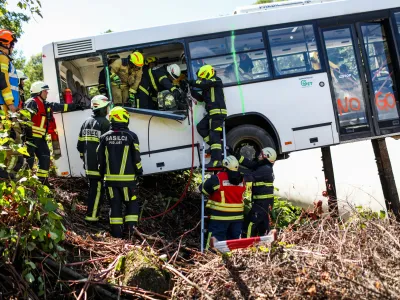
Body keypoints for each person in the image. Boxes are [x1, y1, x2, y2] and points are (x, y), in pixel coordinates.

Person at [97, 106, 143, 238]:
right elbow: (136, 158)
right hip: (128, 182)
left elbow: (100, 159)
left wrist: (102, 175)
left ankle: (117, 237)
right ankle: (130, 235)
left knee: (115, 205)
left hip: (110, 181)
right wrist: (139, 172)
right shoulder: (131, 136)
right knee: (131, 204)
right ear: (124, 118)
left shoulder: (104, 137)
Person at [25, 81, 83, 185]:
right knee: (29, 161)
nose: (47, 93)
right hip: (31, 139)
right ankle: (26, 184)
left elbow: (59, 107)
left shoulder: (45, 104)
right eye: (45, 91)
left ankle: (42, 182)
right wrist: (28, 138)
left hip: (40, 138)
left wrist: (75, 106)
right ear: (39, 92)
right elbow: (26, 120)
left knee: (45, 158)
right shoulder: (32, 102)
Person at [199, 156, 246, 250]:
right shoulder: (242, 180)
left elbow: (203, 189)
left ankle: (212, 261)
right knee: (233, 244)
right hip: (237, 218)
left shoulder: (218, 178)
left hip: (220, 217)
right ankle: (232, 261)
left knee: (215, 243)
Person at [77, 95, 111, 223]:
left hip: (89, 164)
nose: (108, 109)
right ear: (102, 108)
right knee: (97, 192)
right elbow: (108, 147)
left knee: (94, 190)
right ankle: (91, 218)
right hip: (99, 165)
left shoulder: (85, 123)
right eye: (107, 107)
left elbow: (80, 146)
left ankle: (93, 214)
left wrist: (86, 160)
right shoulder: (105, 124)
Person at [232, 147, 276, 238]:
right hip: (264, 203)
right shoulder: (264, 167)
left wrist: (232, 173)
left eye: (261, 155)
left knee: (249, 223)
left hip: (262, 203)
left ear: (266, 157)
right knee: (263, 226)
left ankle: (245, 245)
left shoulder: (265, 169)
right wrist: (235, 155)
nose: (258, 156)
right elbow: (250, 164)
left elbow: (248, 177)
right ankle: (263, 244)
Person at [190, 64, 227, 168]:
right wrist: (191, 91)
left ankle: (216, 161)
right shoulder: (208, 85)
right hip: (212, 113)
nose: (200, 80)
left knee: (214, 135)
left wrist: (191, 82)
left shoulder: (216, 80)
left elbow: (203, 84)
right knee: (201, 127)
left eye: (201, 77)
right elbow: (201, 98)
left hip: (218, 112)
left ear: (207, 74)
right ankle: (213, 146)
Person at [0, 29, 19, 114]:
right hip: (4, 106)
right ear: (6, 44)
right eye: (12, 44)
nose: (13, 47)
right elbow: (3, 80)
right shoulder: (2, 58)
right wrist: (10, 104)